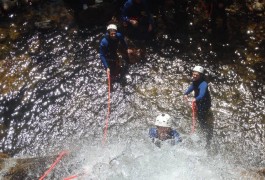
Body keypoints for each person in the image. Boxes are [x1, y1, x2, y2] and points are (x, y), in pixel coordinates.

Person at [183, 66, 213, 148]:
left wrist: (195, 99)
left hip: (205, 107)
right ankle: (203, 132)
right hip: (199, 105)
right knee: (200, 120)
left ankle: (208, 139)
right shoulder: (195, 81)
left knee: (204, 123)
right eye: (193, 74)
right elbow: (192, 87)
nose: (194, 76)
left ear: (201, 76)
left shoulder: (204, 84)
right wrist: (186, 93)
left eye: (197, 75)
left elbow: (202, 95)